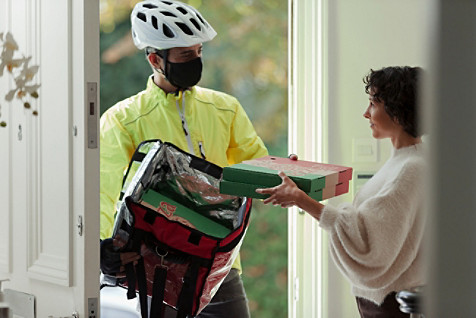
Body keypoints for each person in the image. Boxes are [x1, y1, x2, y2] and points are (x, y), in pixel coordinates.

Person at [99, 1, 268, 317]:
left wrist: (281, 173)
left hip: (219, 263)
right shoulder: (123, 120)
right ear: (155, 59)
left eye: (198, 51)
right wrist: (101, 245)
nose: (196, 61)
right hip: (157, 265)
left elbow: (256, 164)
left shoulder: (225, 109)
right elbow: (105, 193)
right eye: (185, 55)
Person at [257, 66, 425, 318]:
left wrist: (302, 200)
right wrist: (302, 187)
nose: (366, 113)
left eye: (373, 103)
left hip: (392, 305)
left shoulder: (410, 169)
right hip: (388, 300)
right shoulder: (405, 161)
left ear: (398, 111)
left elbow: (369, 242)